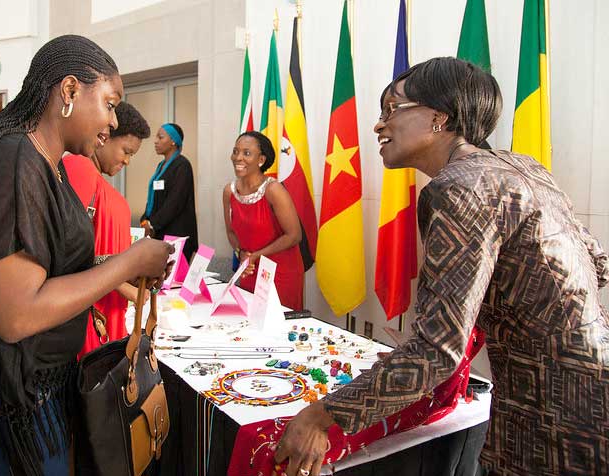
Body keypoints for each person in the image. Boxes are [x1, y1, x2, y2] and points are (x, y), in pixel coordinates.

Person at [274, 57, 609, 476]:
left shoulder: (457, 188)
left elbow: (436, 350)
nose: (379, 125)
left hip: (555, 423)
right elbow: (596, 263)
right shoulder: (525, 169)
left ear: (438, 117)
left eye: (391, 109)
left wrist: (322, 415)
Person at [0, 35, 173, 475]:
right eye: (110, 103)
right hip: (6, 412)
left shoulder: (48, 163)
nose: (113, 120)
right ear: (68, 91)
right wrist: (128, 262)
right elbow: (15, 314)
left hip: (40, 396)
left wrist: (123, 265)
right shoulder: (12, 160)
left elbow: (53, 266)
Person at [63, 101, 151, 357]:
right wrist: (127, 289)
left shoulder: (92, 174)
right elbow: (70, 251)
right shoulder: (79, 167)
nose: (127, 160)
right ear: (104, 137)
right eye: (126, 151)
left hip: (106, 309)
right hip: (91, 313)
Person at [223, 131, 304, 310]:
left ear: (261, 160)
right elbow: (230, 232)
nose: (238, 158)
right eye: (235, 151)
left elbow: (294, 235)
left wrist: (255, 256)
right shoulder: (229, 191)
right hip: (249, 269)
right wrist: (241, 253)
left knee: (277, 328)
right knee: (247, 325)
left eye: (247, 153)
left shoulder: (273, 190)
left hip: (280, 272)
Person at [140, 123, 198, 262]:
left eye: (160, 137)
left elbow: (175, 202)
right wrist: (145, 219)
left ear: (173, 141)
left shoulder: (182, 165)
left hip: (177, 235)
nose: (156, 141)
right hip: (160, 233)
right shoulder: (161, 166)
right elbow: (154, 197)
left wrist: (153, 224)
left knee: (174, 281)